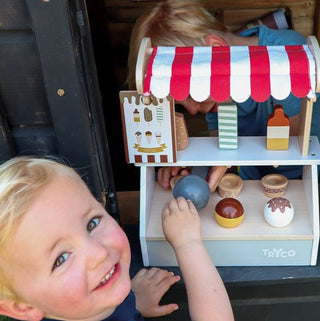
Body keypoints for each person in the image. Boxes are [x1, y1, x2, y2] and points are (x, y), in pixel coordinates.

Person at [0, 156, 234, 321]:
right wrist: (188, 243)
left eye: (91, 223)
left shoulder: (80, 307)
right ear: (23, 308)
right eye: (60, 259)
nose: (99, 253)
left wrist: (130, 304)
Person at [127, 0, 320, 190]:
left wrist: (227, 164)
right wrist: (197, 165)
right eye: (180, 103)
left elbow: (292, 163)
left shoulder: (290, 62)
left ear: (216, 51)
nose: (193, 110)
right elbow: (225, 154)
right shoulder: (214, 91)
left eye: (193, 93)